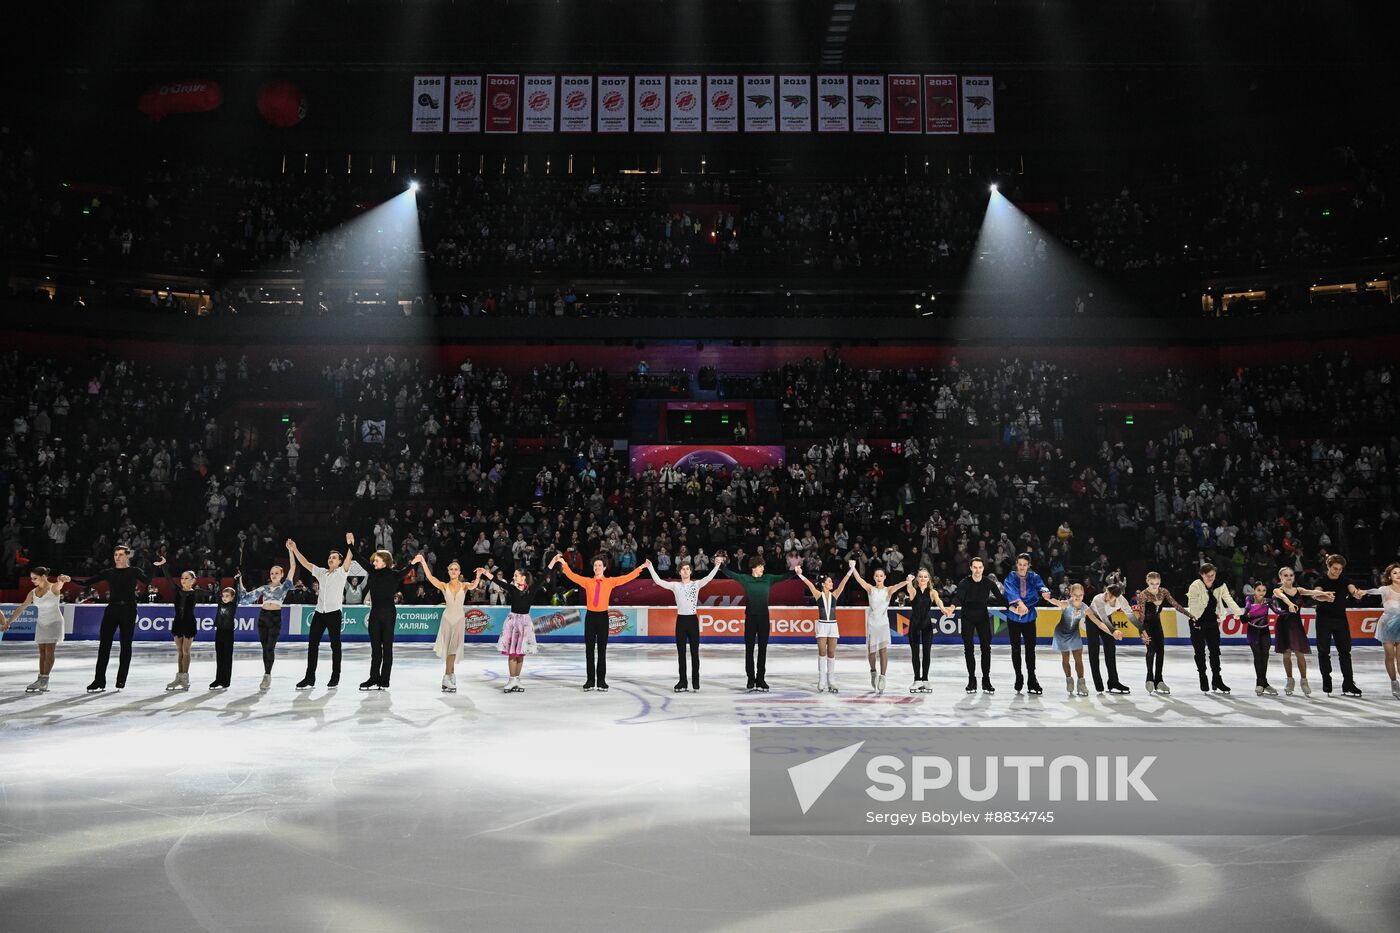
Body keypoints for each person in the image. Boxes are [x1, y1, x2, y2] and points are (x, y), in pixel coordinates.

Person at [551, 554, 645, 691]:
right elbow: (572, 575)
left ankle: (601, 680)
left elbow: (626, 578)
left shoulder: (610, 581)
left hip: (603, 618)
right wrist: (564, 562)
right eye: (595, 565)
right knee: (589, 650)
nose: (597, 567)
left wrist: (641, 567)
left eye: (600, 565)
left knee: (602, 650)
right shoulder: (587, 581)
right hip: (590, 618)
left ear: (605, 568)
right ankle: (590, 680)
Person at [75, 545, 153, 692]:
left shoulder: (134, 571)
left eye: (120, 554)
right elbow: (87, 582)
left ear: (127, 556)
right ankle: (99, 680)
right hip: (112, 609)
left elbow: (147, 581)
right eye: (115, 554)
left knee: (125, 644)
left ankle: (121, 679)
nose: (117, 557)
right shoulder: (109, 572)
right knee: (104, 645)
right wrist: (70, 579)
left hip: (129, 609)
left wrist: (156, 567)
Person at [946, 557, 1025, 694]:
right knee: (969, 648)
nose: (977, 570)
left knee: (986, 649)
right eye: (975, 567)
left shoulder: (988, 583)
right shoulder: (964, 583)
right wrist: (952, 607)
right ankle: (972, 680)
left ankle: (986, 680)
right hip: (967, 618)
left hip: (982, 617)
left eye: (980, 567)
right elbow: (958, 597)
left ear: (983, 568)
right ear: (971, 568)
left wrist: (1012, 608)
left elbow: (1001, 599)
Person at [719, 556, 796, 692]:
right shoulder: (745, 579)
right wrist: (720, 565)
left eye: (763, 566)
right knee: (749, 650)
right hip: (750, 618)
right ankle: (750, 678)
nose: (763, 568)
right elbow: (731, 574)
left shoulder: (768, 578)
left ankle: (760, 678)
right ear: (754, 567)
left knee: (762, 650)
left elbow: (783, 577)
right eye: (761, 566)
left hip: (764, 619)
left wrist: (794, 571)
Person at [289, 533, 356, 690]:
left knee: (335, 645)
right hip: (319, 613)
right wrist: (295, 549)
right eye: (330, 557)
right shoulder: (320, 572)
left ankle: (335, 676)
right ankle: (309, 677)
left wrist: (350, 544)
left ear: (339, 562)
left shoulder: (342, 572)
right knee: (312, 645)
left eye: (334, 558)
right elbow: (305, 563)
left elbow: (349, 558)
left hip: (334, 614)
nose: (330, 559)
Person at [646, 556, 723, 692]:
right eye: (683, 569)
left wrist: (717, 565)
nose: (686, 571)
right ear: (679, 572)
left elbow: (709, 578)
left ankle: (696, 681)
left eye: (688, 569)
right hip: (681, 621)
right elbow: (658, 581)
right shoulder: (675, 586)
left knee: (695, 653)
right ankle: (682, 682)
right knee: (681, 654)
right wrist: (650, 566)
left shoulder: (696, 584)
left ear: (691, 571)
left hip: (692, 621)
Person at [414, 554, 485, 693]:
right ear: (448, 572)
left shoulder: (464, 586)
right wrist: (423, 562)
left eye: (456, 569)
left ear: (459, 572)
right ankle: (447, 677)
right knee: (449, 650)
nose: (453, 571)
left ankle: (449, 676)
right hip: (447, 620)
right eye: (451, 569)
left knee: (453, 650)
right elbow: (430, 578)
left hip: (458, 620)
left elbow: (474, 586)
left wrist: (478, 576)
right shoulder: (444, 585)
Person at [482, 565, 555, 693]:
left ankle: (517, 679)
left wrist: (553, 561)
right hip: (512, 622)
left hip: (525, 623)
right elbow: (497, 581)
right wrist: (485, 572)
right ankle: (512, 679)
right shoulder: (512, 588)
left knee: (520, 653)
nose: (513, 577)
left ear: (523, 577)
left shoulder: (531, 589)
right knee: (512, 652)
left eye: (516, 575)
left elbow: (543, 576)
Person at [237, 543, 298, 691]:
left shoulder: (285, 586)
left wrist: (290, 551)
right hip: (263, 618)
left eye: (277, 573)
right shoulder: (263, 589)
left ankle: (267, 675)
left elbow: (293, 567)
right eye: (272, 573)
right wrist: (239, 581)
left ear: (282, 575)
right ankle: (266, 673)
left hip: (275, 618)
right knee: (265, 648)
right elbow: (245, 599)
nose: (274, 575)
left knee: (270, 648)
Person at [1, 566, 72, 693]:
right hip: (42, 623)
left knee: (49, 650)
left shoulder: (53, 587)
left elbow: (60, 582)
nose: (32, 581)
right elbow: (22, 608)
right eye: (31, 578)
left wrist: (62, 578)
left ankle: (45, 680)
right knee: (42, 652)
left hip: (54, 622)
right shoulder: (32, 592)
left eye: (35, 578)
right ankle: (40, 679)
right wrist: (8, 622)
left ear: (44, 577)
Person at [847, 563, 914, 694]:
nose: (879, 577)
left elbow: (897, 586)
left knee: (883, 651)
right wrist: (853, 568)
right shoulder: (870, 589)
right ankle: (873, 672)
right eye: (877, 575)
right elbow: (859, 580)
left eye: (881, 575)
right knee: (871, 652)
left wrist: (907, 581)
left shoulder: (888, 590)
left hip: (883, 624)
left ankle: (883, 677)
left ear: (884, 577)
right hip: (872, 624)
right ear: (873, 577)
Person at [1185, 562, 1244, 694]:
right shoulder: (1195, 586)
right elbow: (1192, 604)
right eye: (1208, 575)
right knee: (1200, 652)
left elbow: (1229, 600)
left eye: (1213, 575)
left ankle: (1217, 679)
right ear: (1201, 575)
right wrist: (1195, 620)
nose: (1211, 578)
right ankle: (1203, 677)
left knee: (1215, 652)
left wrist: (1240, 614)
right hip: (1197, 622)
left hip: (1212, 622)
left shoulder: (1220, 585)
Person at [795, 565, 855, 693]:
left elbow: (844, 582)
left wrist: (851, 569)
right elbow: (809, 584)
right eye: (829, 582)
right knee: (822, 652)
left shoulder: (835, 595)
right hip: (822, 625)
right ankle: (822, 680)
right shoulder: (818, 595)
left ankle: (831, 680)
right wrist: (800, 574)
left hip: (833, 626)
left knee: (832, 653)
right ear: (823, 584)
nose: (832, 583)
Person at [1052, 583, 1119, 696]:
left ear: (1083, 595)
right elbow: (1054, 601)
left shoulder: (1085, 608)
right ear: (1071, 594)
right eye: (1075, 594)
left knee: (1078, 658)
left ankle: (1081, 683)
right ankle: (1069, 680)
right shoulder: (1066, 604)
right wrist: (1047, 597)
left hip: (1074, 633)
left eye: (1080, 594)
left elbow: (1098, 623)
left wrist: (1112, 632)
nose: (1078, 597)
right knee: (1066, 658)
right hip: (1062, 633)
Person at [1273, 566, 1328, 696]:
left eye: (1291, 575)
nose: (1289, 577)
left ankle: (1304, 681)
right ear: (1281, 577)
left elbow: (1312, 592)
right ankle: (1290, 680)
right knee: (1286, 654)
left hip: (1296, 625)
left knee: (1300, 654)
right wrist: (1290, 604)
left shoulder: (1299, 590)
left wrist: (1326, 594)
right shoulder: (1277, 590)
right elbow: (1283, 597)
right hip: (1283, 624)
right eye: (1285, 575)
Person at [1003, 553, 1051, 695]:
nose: (1022, 567)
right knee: (1015, 649)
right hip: (1014, 617)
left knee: (1031, 649)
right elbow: (1009, 590)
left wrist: (1045, 592)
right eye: (1020, 564)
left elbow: (1042, 587)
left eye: (1025, 564)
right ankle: (1018, 676)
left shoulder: (1034, 577)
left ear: (1029, 565)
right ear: (1016, 565)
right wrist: (1019, 603)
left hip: (1029, 617)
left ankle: (1032, 678)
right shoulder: (1011, 576)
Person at [1350, 562, 1400, 699]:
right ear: (1389, 576)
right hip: (1388, 626)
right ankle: (1394, 683)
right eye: (1395, 573)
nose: (1398, 575)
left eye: (1399, 572)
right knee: (1390, 656)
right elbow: (1373, 591)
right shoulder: (1386, 589)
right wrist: (1363, 592)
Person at [1313, 554, 1360, 696]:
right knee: (1323, 651)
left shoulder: (1345, 580)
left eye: (1340, 569)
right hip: (1323, 619)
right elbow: (1316, 594)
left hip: (1340, 619)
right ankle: (1326, 680)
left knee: (1345, 652)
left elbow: (1352, 589)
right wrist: (1324, 597)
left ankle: (1349, 683)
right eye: (1335, 568)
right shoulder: (1321, 580)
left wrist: (1356, 593)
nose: (1337, 571)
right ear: (1328, 566)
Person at [1133, 572, 1187, 695]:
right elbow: (1141, 617)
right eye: (1152, 584)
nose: (1154, 586)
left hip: (1157, 624)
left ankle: (1159, 680)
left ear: (1160, 582)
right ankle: (1149, 678)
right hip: (1146, 625)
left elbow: (1176, 605)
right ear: (1147, 582)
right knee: (1151, 650)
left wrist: (1189, 615)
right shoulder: (1143, 595)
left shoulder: (1163, 592)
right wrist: (1142, 633)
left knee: (1161, 651)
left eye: (1157, 583)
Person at [158, 556, 205, 692]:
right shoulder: (177, 590)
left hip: (189, 623)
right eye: (182, 578)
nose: (183, 580)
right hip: (178, 623)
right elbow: (168, 579)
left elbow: (215, 592)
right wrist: (164, 565)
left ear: (193, 580)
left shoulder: (196, 592)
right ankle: (179, 676)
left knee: (186, 651)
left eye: (186, 578)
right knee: (179, 652)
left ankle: (185, 677)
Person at [360, 549, 405, 690]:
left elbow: (407, 570)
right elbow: (360, 559)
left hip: (389, 614)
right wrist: (350, 545)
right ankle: (374, 677)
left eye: (377, 560)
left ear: (385, 562)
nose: (374, 562)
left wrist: (415, 562)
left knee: (387, 648)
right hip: (375, 614)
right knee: (375, 649)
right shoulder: (372, 572)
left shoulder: (394, 575)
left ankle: (385, 679)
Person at [900, 567, 948, 693]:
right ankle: (917, 680)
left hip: (927, 625)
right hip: (914, 625)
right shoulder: (914, 591)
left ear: (929, 579)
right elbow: (909, 590)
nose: (922, 578)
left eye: (925, 577)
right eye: (920, 576)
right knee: (915, 653)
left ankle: (925, 679)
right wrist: (909, 582)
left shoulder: (932, 592)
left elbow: (938, 601)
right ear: (917, 578)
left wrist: (943, 609)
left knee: (927, 652)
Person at [1087, 580, 1138, 694]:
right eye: (1106, 592)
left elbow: (1130, 615)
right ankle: (1098, 682)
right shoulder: (1098, 599)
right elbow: (1103, 620)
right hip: (1093, 620)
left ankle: (1113, 682)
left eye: (1109, 595)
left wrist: (1141, 628)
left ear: (1116, 597)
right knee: (1094, 651)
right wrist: (1114, 631)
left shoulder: (1121, 600)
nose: (1106, 595)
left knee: (1110, 649)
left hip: (1108, 620)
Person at [1242, 582, 1279, 696]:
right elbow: (1248, 607)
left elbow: (1277, 611)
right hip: (1253, 631)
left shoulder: (1268, 601)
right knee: (1257, 656)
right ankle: (1261, 683)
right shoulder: (1250, 598)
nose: (1261, 593)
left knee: (1265, 656)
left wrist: (1290, 609)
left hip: (1265, 631)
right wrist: (1245, 614)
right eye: (1259, 590)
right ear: (1254, 590)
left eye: (1263, 590)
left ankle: (1263, 683)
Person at [208, 585, 239, 690]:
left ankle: (226, 681)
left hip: (228, 633)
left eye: (227, 596)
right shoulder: (220, 604)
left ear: (232, 598)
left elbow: (237, 592)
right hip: (219, 632)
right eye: (223, 596)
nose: (224, 598)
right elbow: (216, 592)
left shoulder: (233, 605)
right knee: (219, 657)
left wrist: (236, 581)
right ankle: (218, 679)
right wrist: (217, 582)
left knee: (227, 657)